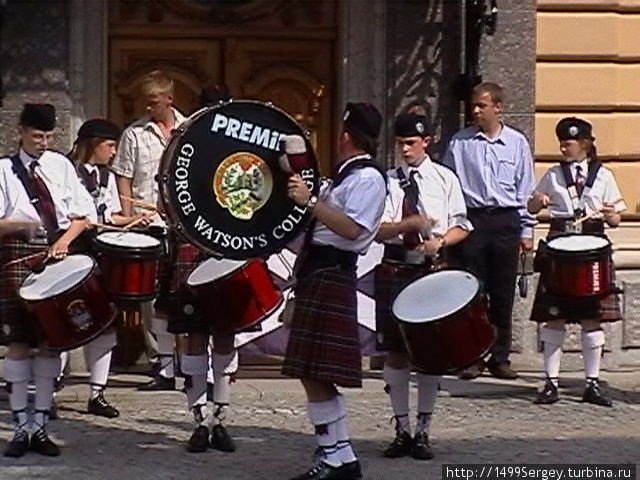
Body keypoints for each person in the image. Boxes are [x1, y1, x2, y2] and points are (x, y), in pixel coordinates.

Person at [283, 102, 387, 480]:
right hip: (319, 271)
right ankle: (340, 457)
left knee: (313, 372)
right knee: (313, 371)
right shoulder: (345, 177)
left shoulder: (368, 179)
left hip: (332, 271)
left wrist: (310, 201)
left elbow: (352, 230)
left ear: (345, 135)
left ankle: (333, 456)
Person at [0, 103, 96, 457]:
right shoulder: (3, 171)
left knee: (52, 340)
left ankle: (40, 424)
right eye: (37, 136)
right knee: (20, 342)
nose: (43, 143)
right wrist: (22, 225)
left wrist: (63, 241)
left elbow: (84, 214)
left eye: (48, 136)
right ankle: (20, 425)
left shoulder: (61, 166)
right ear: (20, 133)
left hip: (58, 253)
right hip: (18, 254)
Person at [375, 113, 472, 460]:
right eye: (399, 143)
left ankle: (424, 432)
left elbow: (463, 225)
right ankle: (401, 429)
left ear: (426, 142)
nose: (404, 149)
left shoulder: (444, 179)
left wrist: (441, 242)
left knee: (430, 353)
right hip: (394, 266)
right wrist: (407, 224)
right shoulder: (385, 181)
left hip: (430, 267)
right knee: (395, 351)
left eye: (411, 143)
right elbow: (377, 229)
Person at [160, 85, 238, 454]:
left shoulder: (243, 150)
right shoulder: (181, 149)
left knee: (225, 334)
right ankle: (199, 420)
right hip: (191, 246)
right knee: (194, 337)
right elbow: (166, 198)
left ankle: (220, 418)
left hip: (230, 249)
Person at [56, 118, 151, 419]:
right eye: (110, 146)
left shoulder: (106, 177)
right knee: (62, 322)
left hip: (99, 256)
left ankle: (97, 393)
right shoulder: (64, 172)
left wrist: (134, 219)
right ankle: (50, 389)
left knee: (104, 325)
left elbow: (107, 215)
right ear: (93, 144)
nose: (113, 153)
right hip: (69, 252)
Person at [528, 117, 625, 407]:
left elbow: (617, 219)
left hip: (593, 247)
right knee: (554, 317)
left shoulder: (604, 175)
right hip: (559, 246)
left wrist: (609, 214)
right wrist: (539, 201)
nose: (562, 147)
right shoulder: (553, 174)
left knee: (591, 319)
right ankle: (550, 383)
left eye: (568, 143)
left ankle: (592, 384)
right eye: (561, 142)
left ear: (584, 144)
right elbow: (531, 207)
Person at [442, 82, 535, 380]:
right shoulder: (460, 142)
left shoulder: (517, 143)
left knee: (502, 291)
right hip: (473, 220)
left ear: (498, 107)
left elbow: (525, 189)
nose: (476, 111)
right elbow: (450, 186)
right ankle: (473, 355)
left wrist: (526, 230)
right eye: (473, 106)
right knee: (472, 291)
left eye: (482, 106)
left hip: (505, 221)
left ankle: (500, 356)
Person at [111, 69, 186, 390]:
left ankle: (191, 362)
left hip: (184, 226)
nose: (147, 108)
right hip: (147, 223)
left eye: (153, 102)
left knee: (182, 293)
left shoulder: (189, 128)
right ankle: (163, 365)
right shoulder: (134, 134)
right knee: (151, 298)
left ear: (169, 99)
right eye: (144, 102)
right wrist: (128, 216)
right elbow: (123, 176)